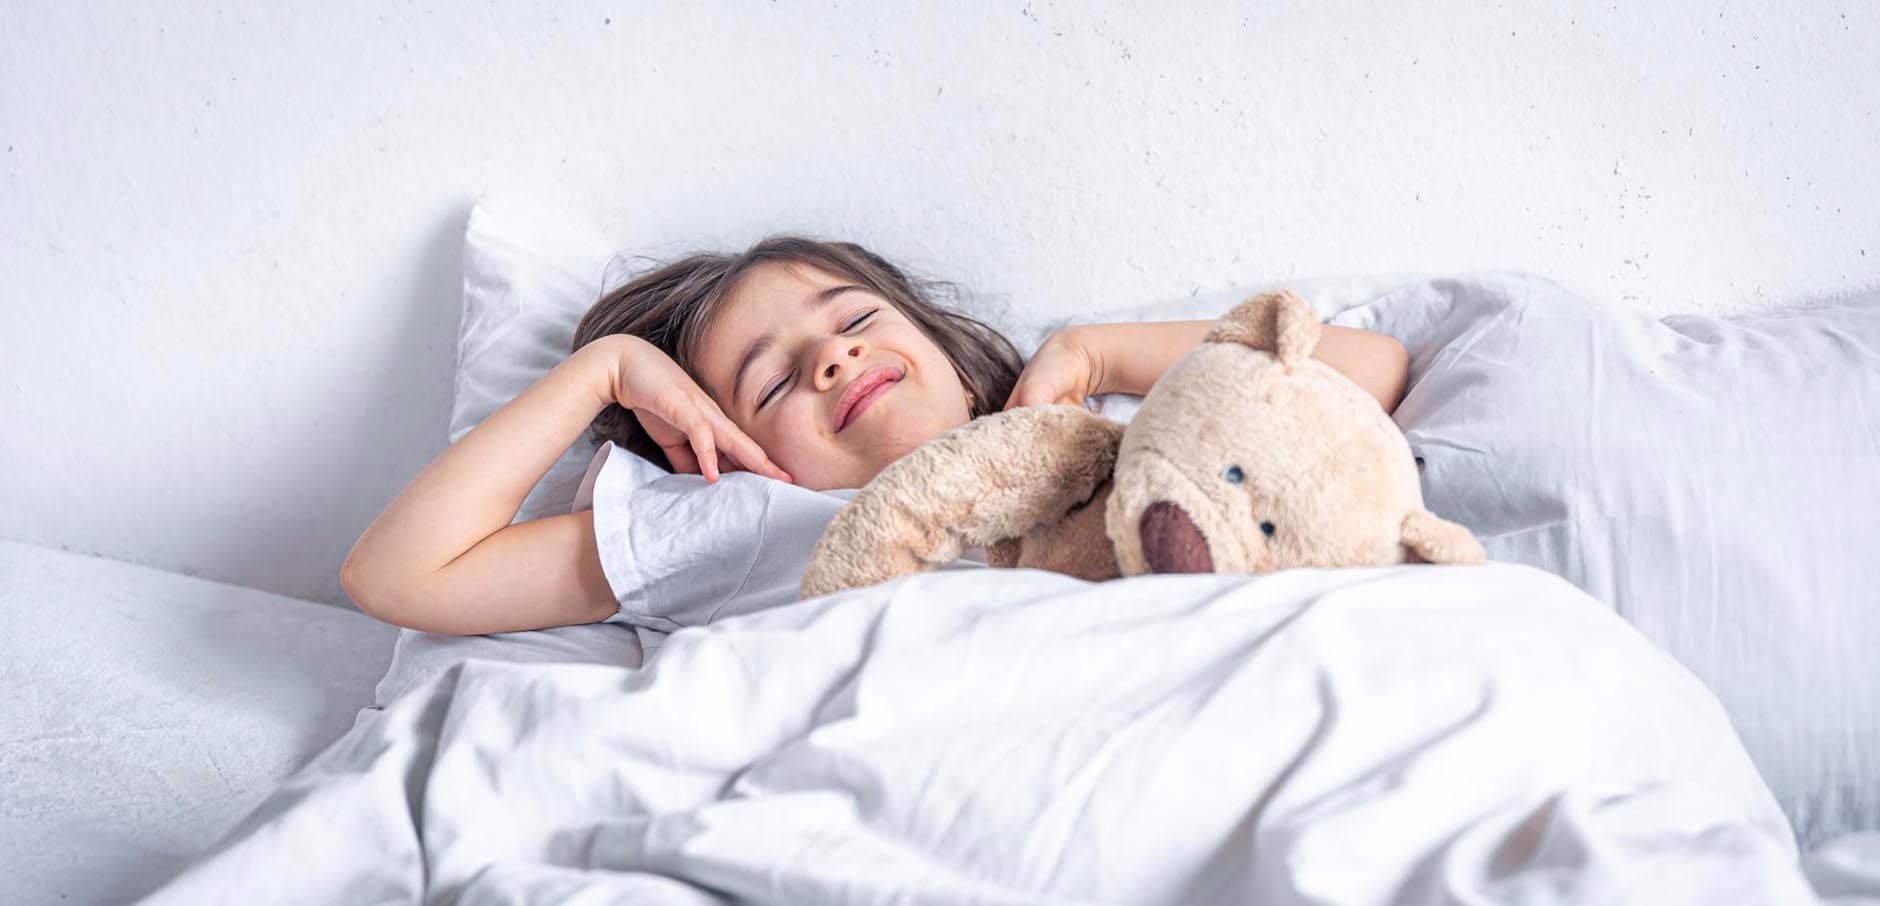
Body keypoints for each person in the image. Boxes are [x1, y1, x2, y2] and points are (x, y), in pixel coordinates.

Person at [340, 237, 1410, 635]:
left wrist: (1091, 354)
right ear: (718, 448)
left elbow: (1368, 380)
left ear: (946, 344)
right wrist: (602, 374)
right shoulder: (736, 521)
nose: (832, 360)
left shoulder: (1094, 430)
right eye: (771, 383)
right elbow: (401, 577)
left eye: (855, 324)